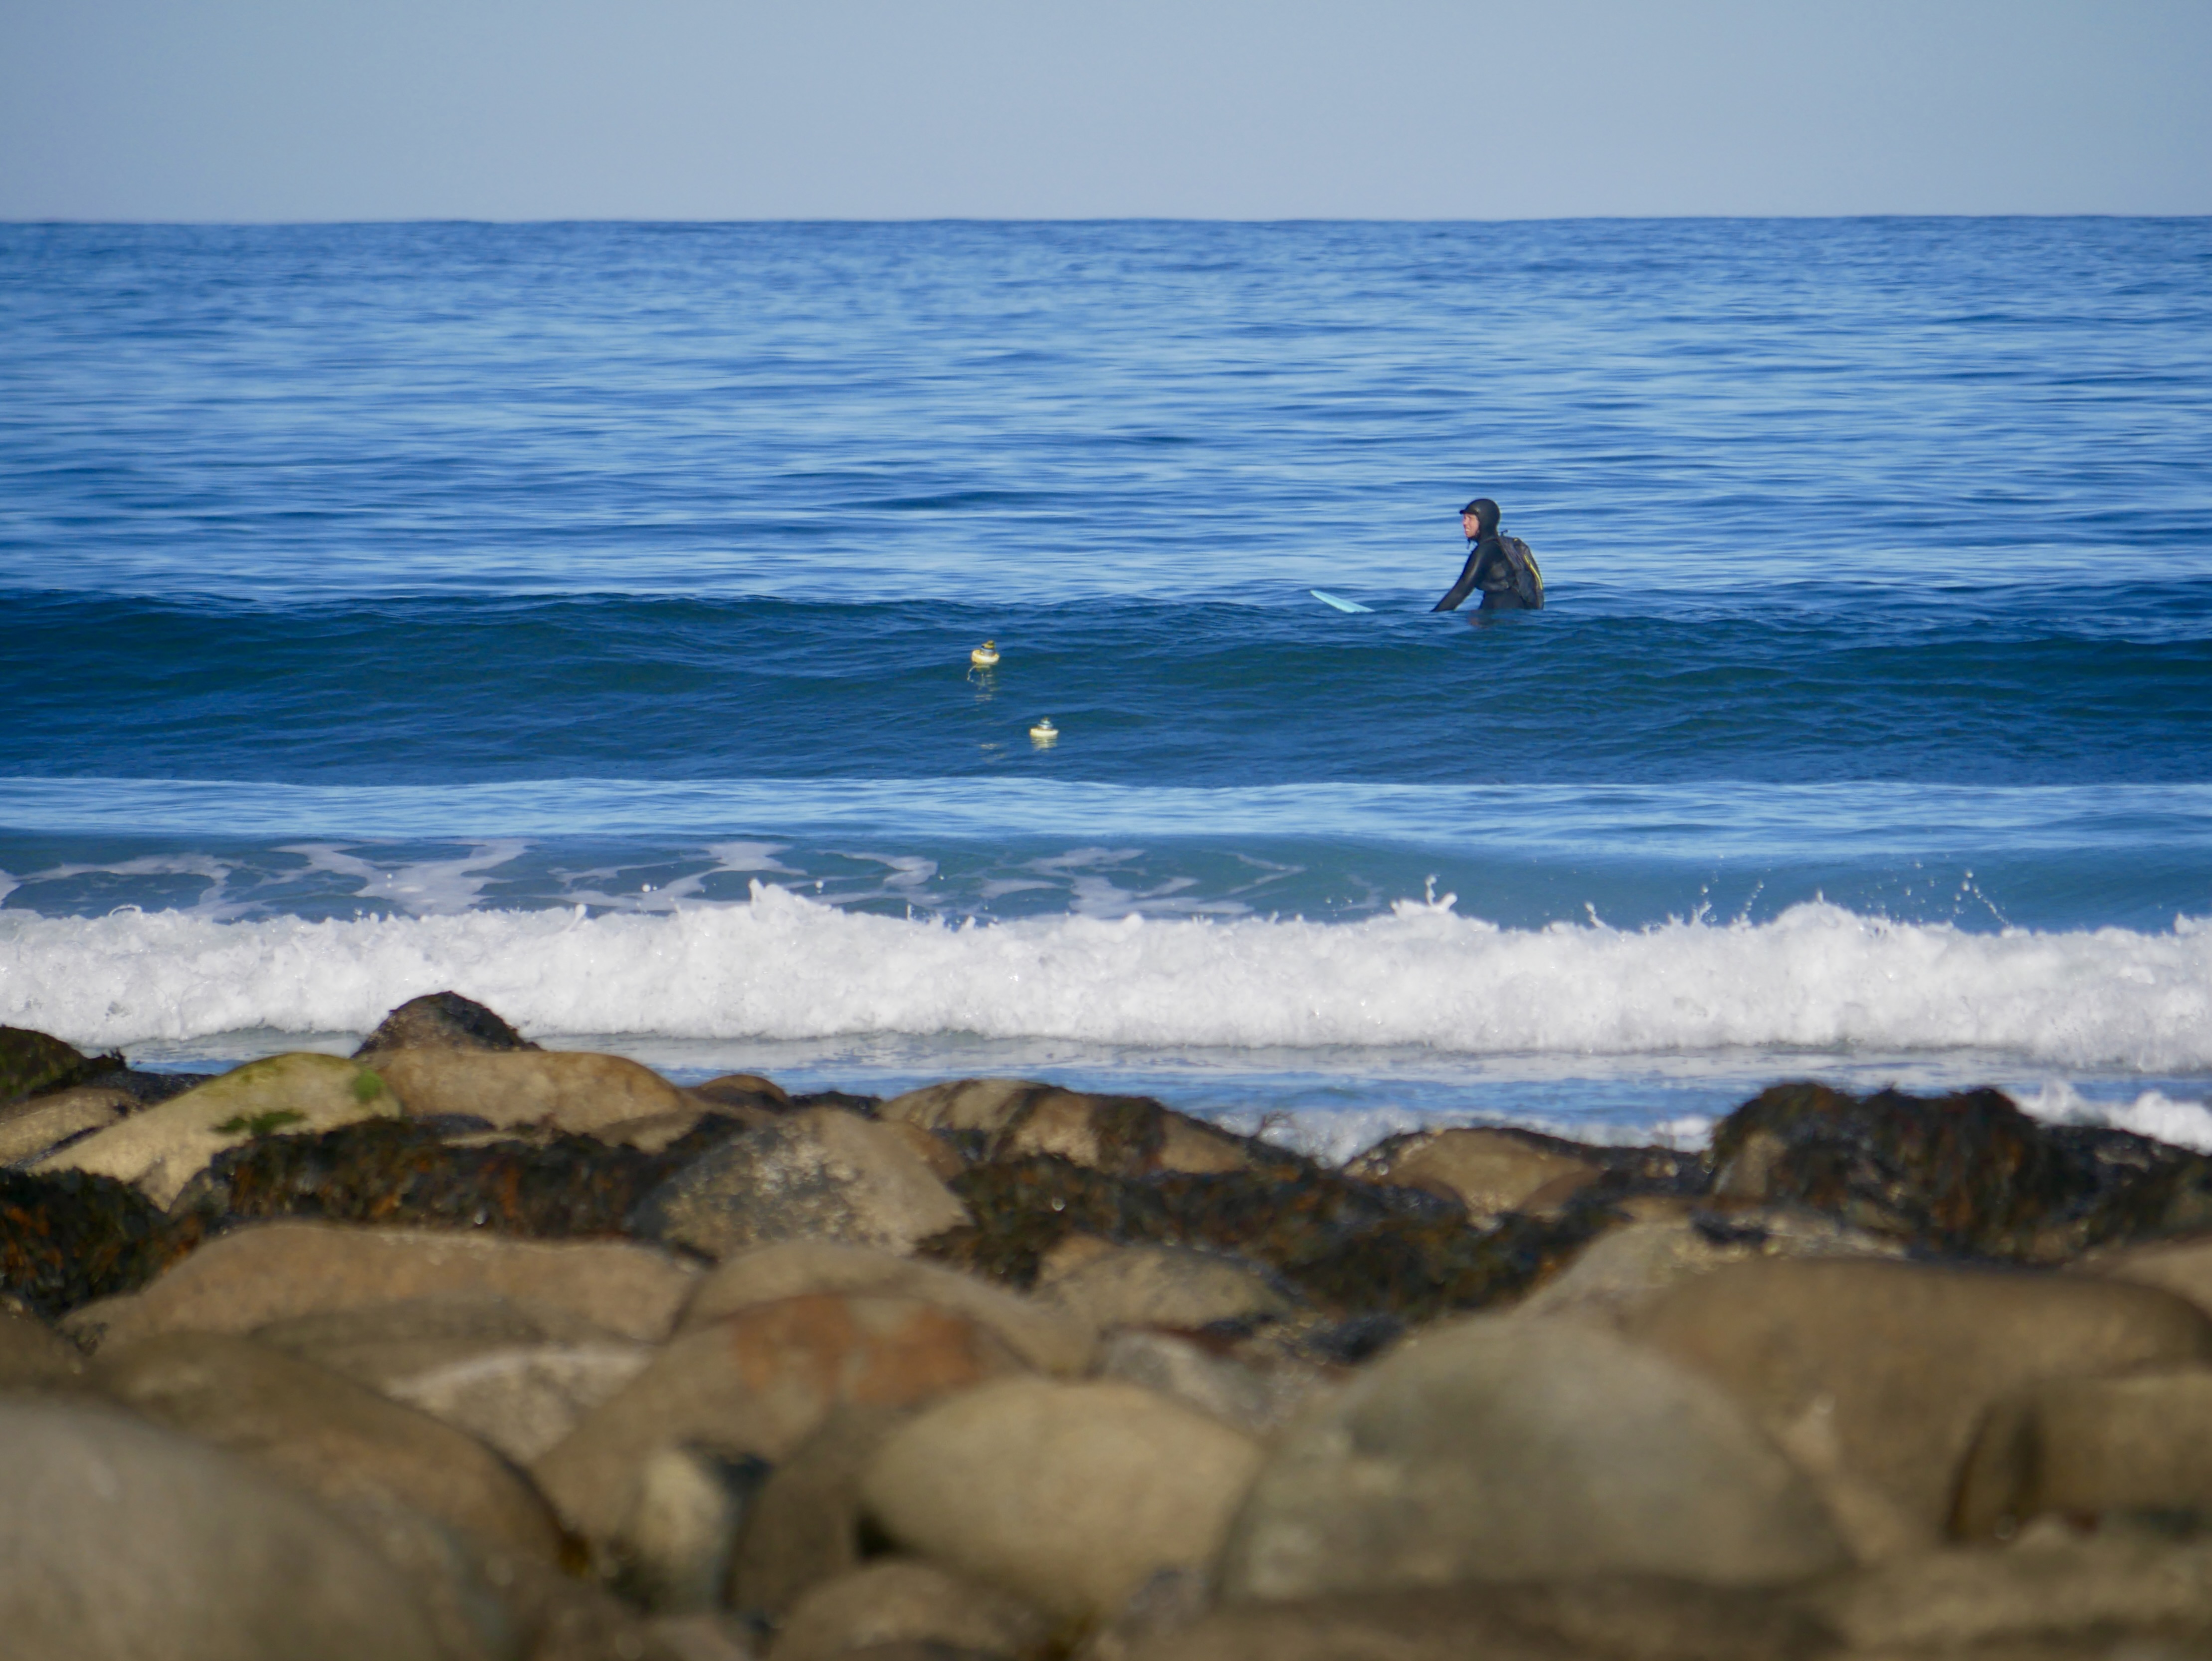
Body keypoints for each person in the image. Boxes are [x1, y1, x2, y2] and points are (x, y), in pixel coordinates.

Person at [1432, 497, 1542, 612]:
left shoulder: (1486, 550)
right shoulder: (1501, 547)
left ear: (1484, 521)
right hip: (1516, 612)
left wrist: (1431, 620)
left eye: (1470, 519)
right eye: (1464, 518)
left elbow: (1461, 591)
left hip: (1501, 616)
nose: (1464, 523)